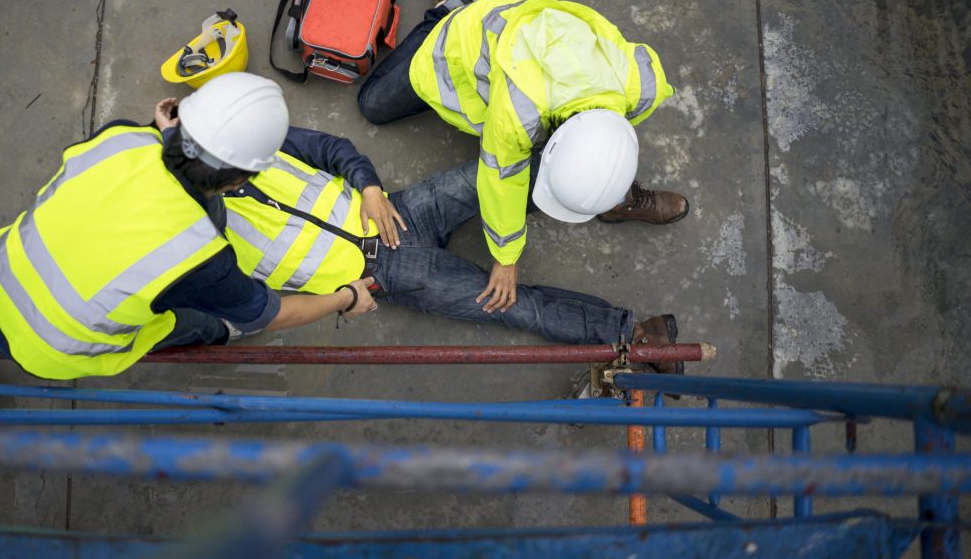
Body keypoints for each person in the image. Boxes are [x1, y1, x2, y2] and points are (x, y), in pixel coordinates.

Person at [152, 108, 683, 373]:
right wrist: (346, 298)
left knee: (499, 175)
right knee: (514, 306)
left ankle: (605, 194)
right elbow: (247, 315)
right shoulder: (199, 251)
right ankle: (636, 335)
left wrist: (371, 189)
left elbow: (333, 149)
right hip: (384, 276)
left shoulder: (244, 143)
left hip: (398, 212)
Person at [0, 73, 377, 380]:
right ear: (238, 182)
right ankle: (218, 332)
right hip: (52, 348)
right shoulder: (201, 255)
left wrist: (166, 136)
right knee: (195, 319)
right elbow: (272, 315)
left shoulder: (121, 136)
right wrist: (346, 297)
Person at [357, 0, 691, 315]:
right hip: (458, 46)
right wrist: (506, 258)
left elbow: (610, 142)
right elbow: (501, 181)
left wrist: (606, 178)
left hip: (526, 52)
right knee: (373, 105)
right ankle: (460, 0)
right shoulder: (518, 113)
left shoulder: (642, 85)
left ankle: (615, 198)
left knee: (581, 163)